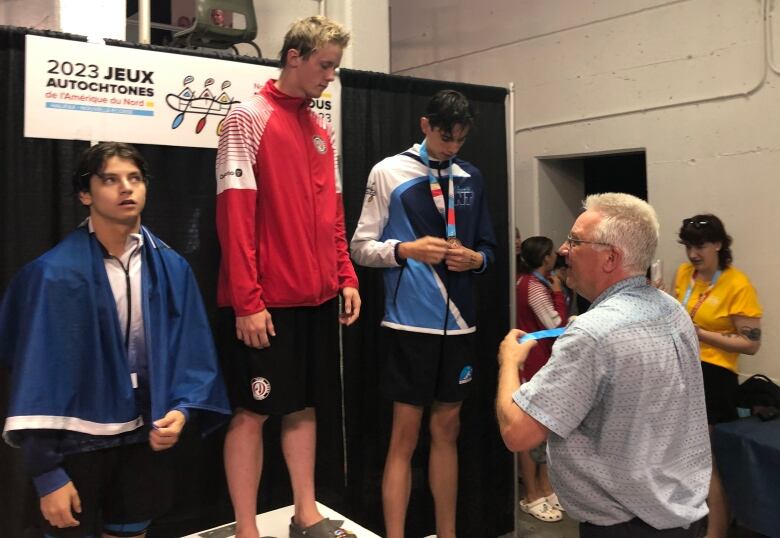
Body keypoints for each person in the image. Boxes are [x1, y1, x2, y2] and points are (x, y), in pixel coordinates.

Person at [0, 142, 231, 537]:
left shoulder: (172, 267)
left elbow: (192, 351)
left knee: (131, 531)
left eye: (135, 178)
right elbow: (33, 377)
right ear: (85, 194)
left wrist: (183, 411)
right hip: (76, 445)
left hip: (145, 437)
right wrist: (46, 472)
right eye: (110, 179)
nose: (126, 188)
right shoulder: (51, 276)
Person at [215, 15, 361, 538]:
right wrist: (247, 301)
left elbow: (335, 214)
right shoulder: (246, 118)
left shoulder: (321, 127)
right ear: (294, 56)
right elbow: (234, 217)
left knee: (304, 406)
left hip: (319, 298)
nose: (330, 76)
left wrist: (345, 275)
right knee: (251, 412)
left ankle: (306, 513)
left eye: (336, 68)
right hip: (267, 302)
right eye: (325, 65)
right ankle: (247, 529)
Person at [497, 193, 711, 537]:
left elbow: (517, 433)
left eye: (575, 241)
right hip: (684, 517)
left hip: (625, 527)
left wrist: (509, 363)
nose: (564, 251)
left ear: (610, 257)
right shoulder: (673, 311)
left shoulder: (593, 333)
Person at [351, 89, 496, 538]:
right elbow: (360, 248)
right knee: (404, 435)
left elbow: (488, 248)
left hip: (462, 322)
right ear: (425, 125)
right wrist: (405, 250)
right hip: (409, 322)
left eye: (460, 139)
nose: (452, 147)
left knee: (448, 430)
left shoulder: (470, 175)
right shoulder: (389, 171)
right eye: (445, 137)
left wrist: (477, 260)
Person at [674, 214, 762, 538]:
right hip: (682, 369)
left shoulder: (737, 284)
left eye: (700, 246)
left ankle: (717, 531)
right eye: (688, 247)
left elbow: (751, 344)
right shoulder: (685, 274)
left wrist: (702, 334)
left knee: (705, 461)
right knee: (684, 458)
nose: (693, 254)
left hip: (714, 377)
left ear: (718, 245)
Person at [515, 236, 568, 522]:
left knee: (548, 429)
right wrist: (559, 294)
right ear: (545, 258)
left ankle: (546, 487)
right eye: (551, 253)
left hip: (544, 363)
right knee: (529, 430)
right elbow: (555, 324)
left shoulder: (536, 283)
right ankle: (532, 493)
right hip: (533, 363)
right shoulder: (533, 286)